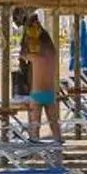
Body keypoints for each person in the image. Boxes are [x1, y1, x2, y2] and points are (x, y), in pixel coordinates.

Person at [20, 11, 60, 141]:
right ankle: (58, 147)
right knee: (54, 125)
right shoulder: (53, 55)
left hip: (37, 93)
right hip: (50, 92)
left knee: (34, 126)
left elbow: (22, 55)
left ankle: (35, 149)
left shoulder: (35, 57)